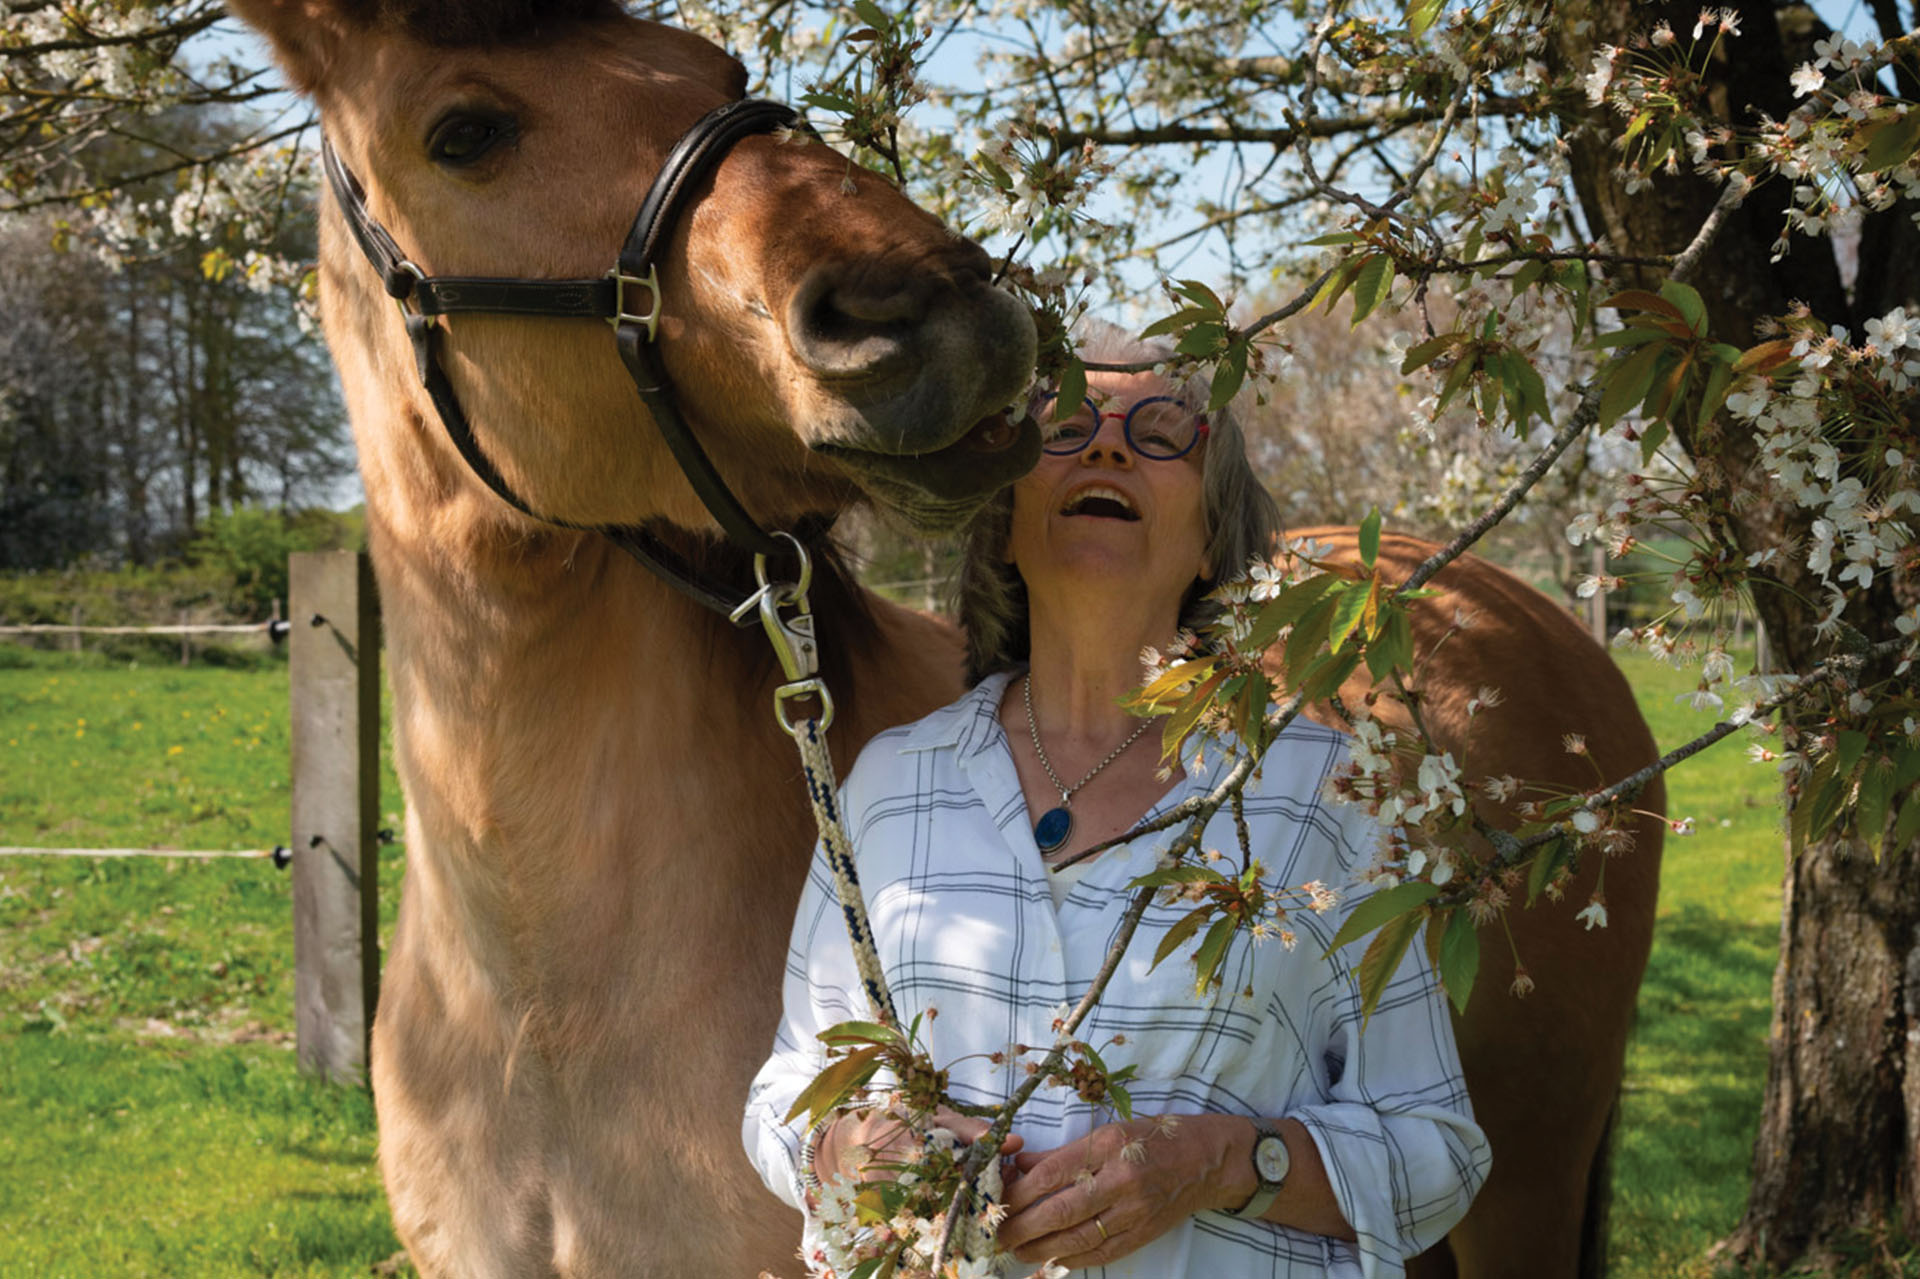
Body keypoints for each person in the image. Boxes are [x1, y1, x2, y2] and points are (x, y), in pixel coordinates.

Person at [743, 324, 1490, 1277]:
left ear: (1217, 539)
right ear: (1005, 523)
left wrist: (1226, 1161)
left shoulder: (1325, 796)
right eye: (1064, 425)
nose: (1107, 446)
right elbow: (785, 1091)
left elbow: (1436, 1150)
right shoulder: (891, 785)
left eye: (1164, 429)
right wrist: (845, 1150)